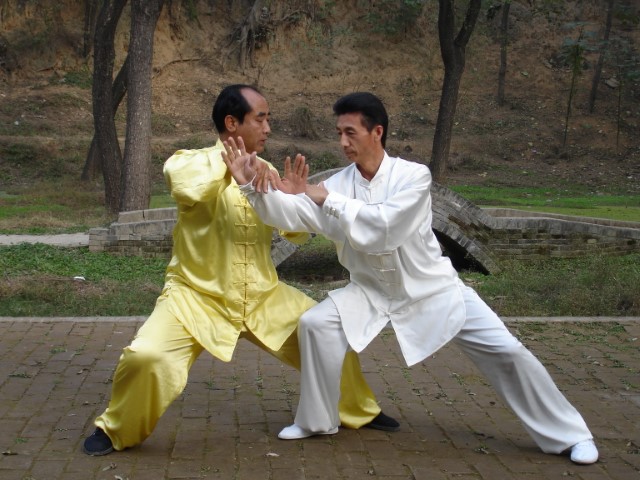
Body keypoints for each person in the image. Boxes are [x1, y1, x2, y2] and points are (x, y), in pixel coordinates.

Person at [221, 91, 599, 465]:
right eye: (339, 132)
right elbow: (294, 215)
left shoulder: (414, 176)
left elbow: (385, 227)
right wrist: (251, 188)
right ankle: (317, 421)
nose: (342, 142)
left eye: (350, 132)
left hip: (433, 290)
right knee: (316, 325)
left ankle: (570, 435)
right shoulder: (336, 184)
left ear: (377, 132)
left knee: (508, 351)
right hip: (370, 292)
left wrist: (322, 199)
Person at [82, 85, 399, 456]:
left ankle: (359, 410)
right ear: (232, 123)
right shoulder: (188, 161)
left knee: (326, 333)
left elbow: (292, 229)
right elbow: (188, 190)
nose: (267, 128)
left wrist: (293, 196)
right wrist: (229, 169)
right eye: (260, 119)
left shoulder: (263, 168)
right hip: (195, 297)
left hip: (263, 295)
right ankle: (116, 429)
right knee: (147, 357)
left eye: (268, 119)